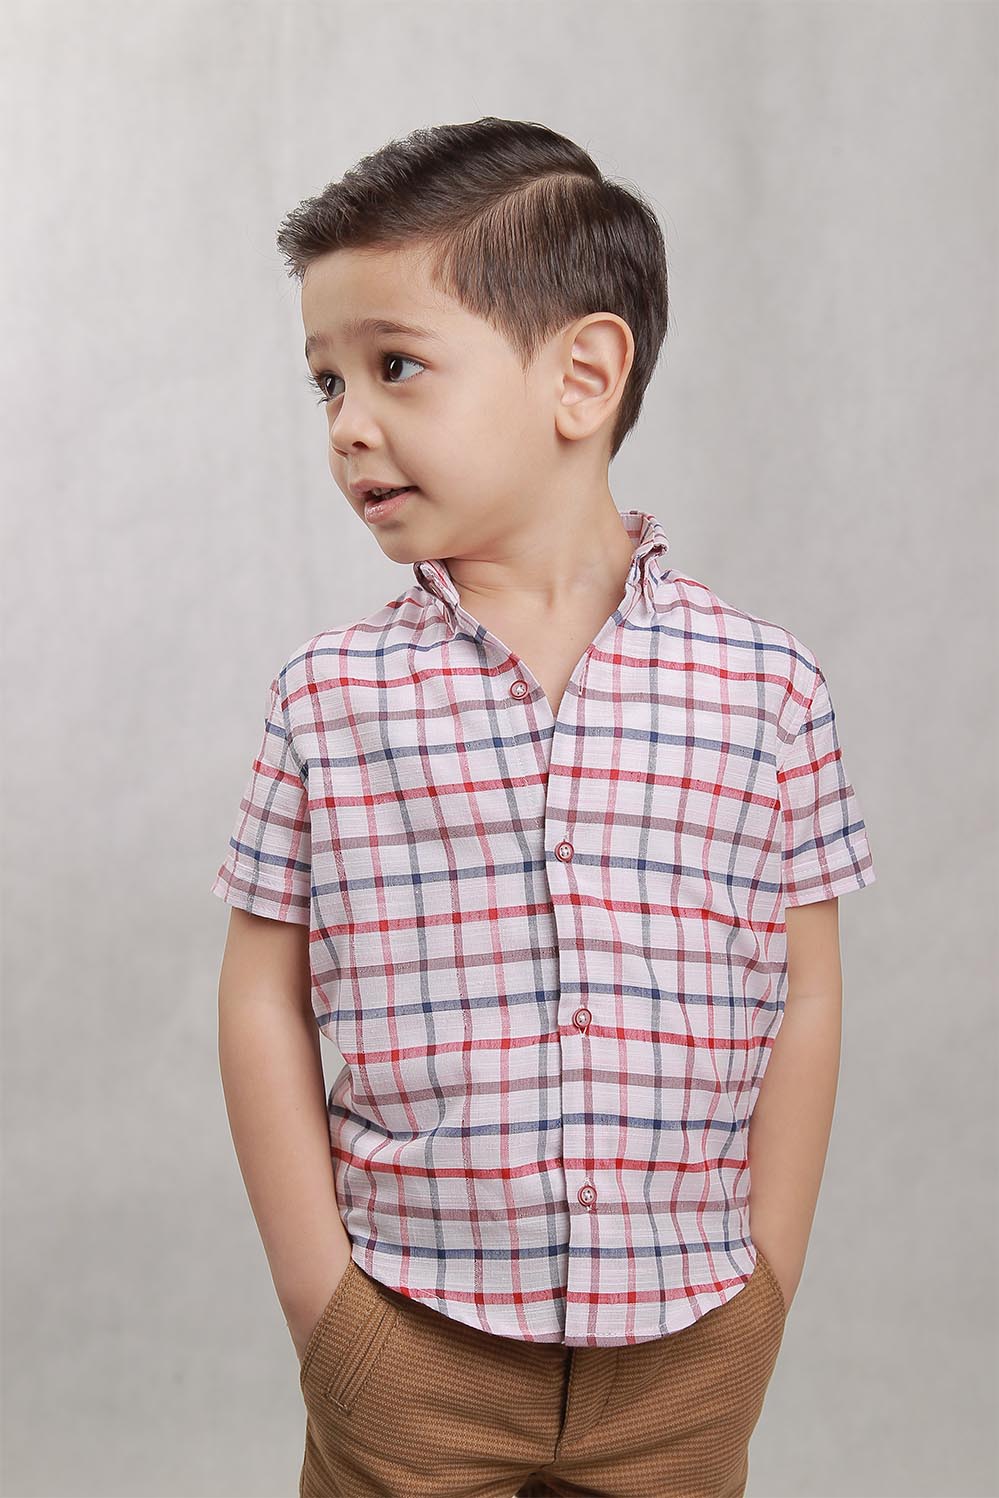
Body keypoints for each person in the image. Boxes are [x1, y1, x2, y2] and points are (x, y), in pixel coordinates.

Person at [211, 117, 877, 1498]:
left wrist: (767, 1284)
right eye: (325, 380)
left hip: (688, 1342)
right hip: (410, 1331)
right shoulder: (326, 698)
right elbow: (260, 996)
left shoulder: (767, 688)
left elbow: (806, 991)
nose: (347, 424)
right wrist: (326, 1312)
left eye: (394, 366)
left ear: (582, 376)